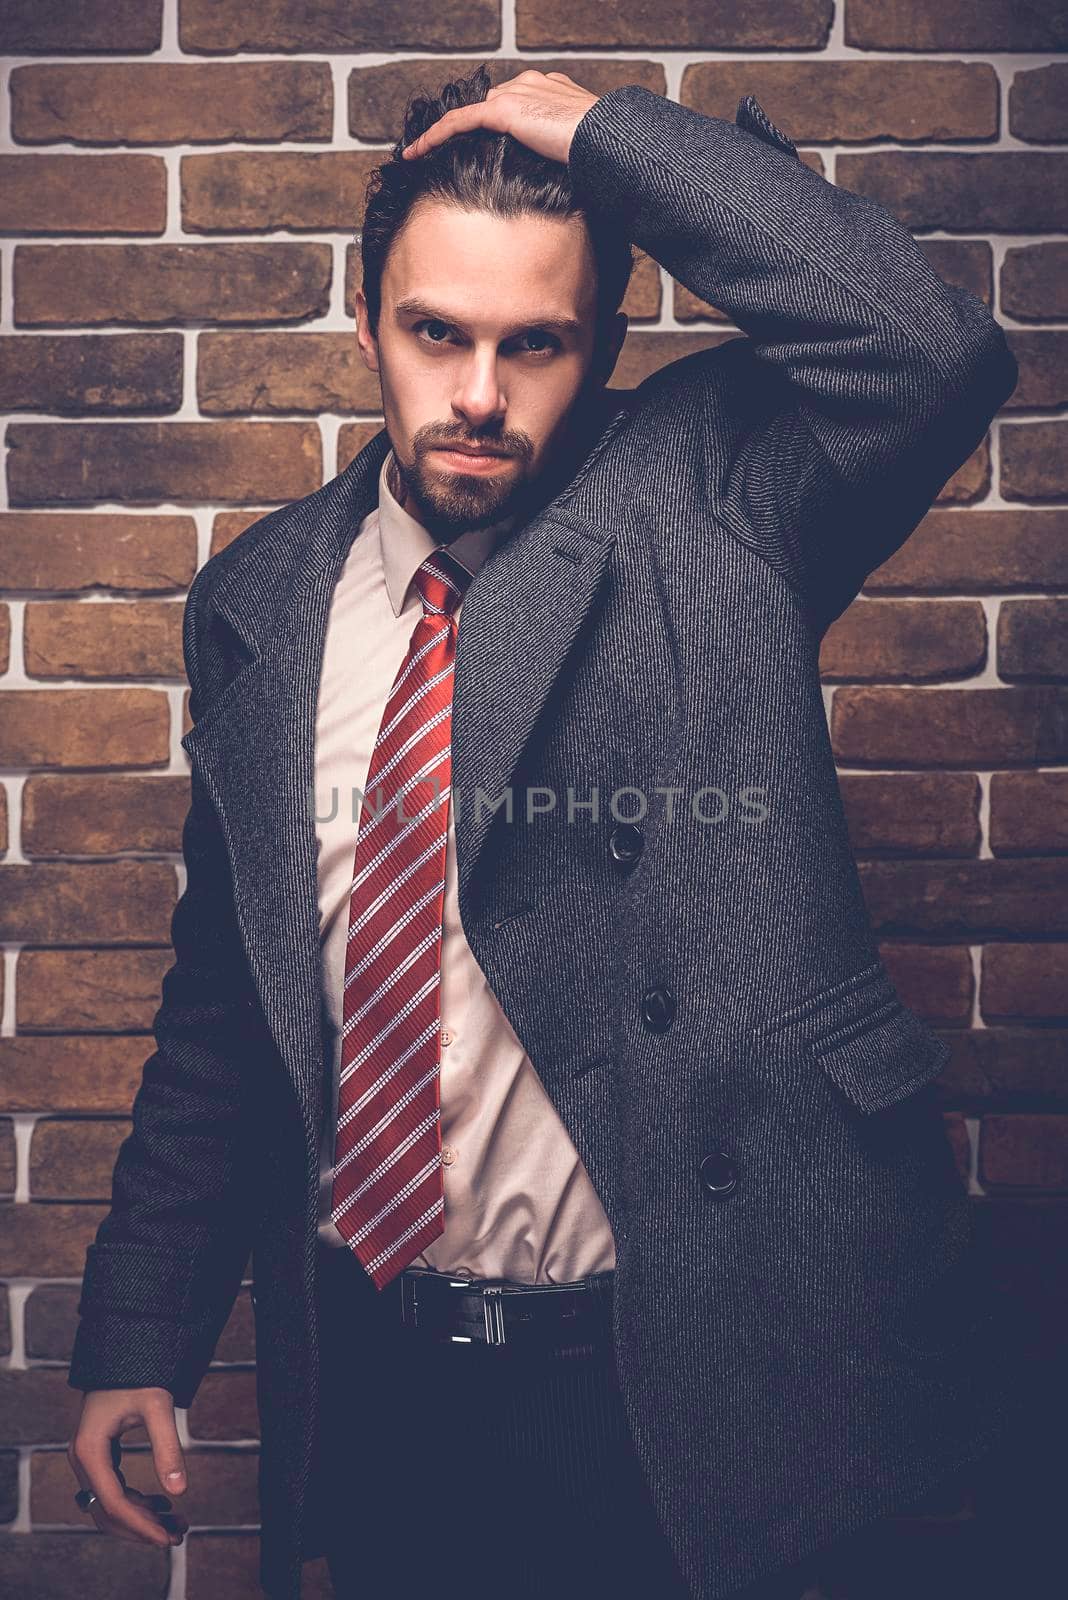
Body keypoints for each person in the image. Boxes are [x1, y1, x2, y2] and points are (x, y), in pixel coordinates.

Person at [66, 64, 1018, 1600]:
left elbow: (929, 347)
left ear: (610, 346)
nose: (481, 398)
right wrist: (137, 1335)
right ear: (366, 316)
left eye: (538, 342)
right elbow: (228, 1013)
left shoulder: (712, 497)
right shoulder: (259, 605)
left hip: (683, 1378)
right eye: (437, 332)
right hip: (386, 1380)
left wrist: (606, 134)